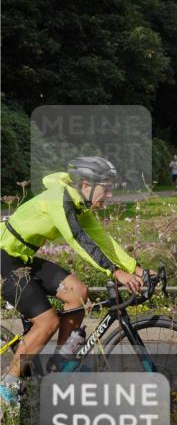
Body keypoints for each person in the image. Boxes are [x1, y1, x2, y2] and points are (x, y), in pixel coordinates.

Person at [0, 157, 144, 404]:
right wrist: (115, 272)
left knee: (77, 291)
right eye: (106, 187)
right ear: (86, 184)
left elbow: (102, 239)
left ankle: (61, 366)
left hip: (22, 259)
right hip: (4, 259)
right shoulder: (59, 198)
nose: (109, 195)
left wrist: (136, 268)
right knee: (47, 322)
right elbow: (77, 239)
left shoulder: (80, 204)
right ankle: (7, 388)